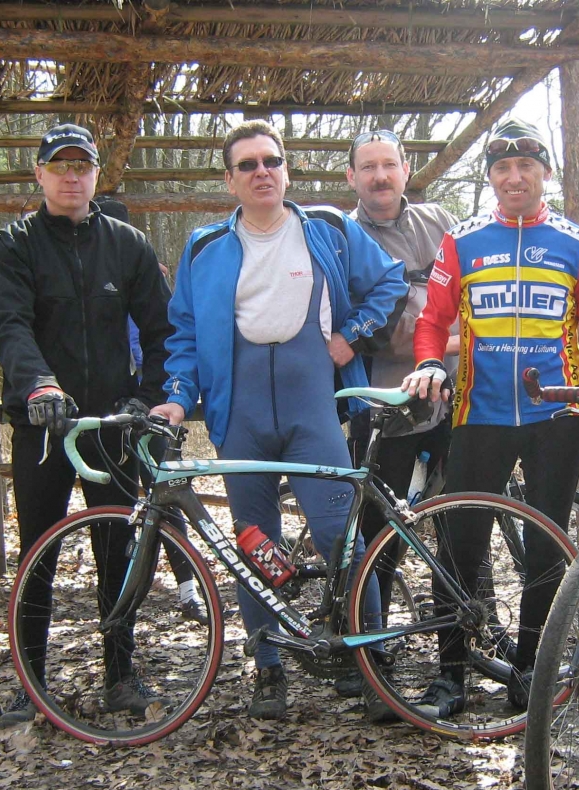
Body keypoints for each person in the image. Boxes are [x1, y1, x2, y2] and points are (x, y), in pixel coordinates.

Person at [149, 119, 408, 722]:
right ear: (229, 180)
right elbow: (183, 333)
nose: (262, 172)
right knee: (254, 542)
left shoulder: (328, 228)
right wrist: (178, 398)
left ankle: (370, 665)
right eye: (247, 165)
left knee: (340, 536)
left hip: (312, 408)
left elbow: (389, 280)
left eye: (272, 160)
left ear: (287, 170)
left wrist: (352, 334)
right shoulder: (205, 247)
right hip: (238, 415)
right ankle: (268, 665)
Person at [403, 117, 579, 718]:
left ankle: (528, 673)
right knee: (460, 543)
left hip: (557, 416)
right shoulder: (463, 240)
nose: (514, 177)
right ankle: (449, 676)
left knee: (544, 549)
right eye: (502, 167)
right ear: (491, 177)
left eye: (526, 166)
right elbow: (432, 321)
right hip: (480, 412)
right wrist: (430, 362)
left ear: (545, 172)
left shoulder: (577, 243)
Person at [0, 124, 175, 726]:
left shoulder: (128, 245)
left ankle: (121, 674)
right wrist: (38, 384)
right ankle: (31, 682)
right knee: (37, 552)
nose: (72, 176)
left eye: (82, 166)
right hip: (44, 426)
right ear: (39, 173)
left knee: (118, 549)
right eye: (60, 165)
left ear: (96, 174)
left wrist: (147, 398)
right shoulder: (13, 244)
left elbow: (163, 330)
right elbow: (9, 323)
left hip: (112, 424)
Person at [340, 129, 459, 698]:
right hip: (383, 404)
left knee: (460, 522)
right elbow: (365, 330)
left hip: (455, 398)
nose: (380, 176)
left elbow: (468, 291)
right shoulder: (343, 236)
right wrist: (454, 343)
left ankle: (460, 646)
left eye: (389, 164)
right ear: (351, 177)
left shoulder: (440, 221)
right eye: (368, 167)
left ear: (406, 169)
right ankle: (372, 651)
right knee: (378, 528)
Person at [95, 196, 207, 625]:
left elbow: (160, 338)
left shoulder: (143, 275)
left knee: (165, 494)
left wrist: (149, 390)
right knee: (134, 507)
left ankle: (188, 588)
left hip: (150, 404)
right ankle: (145, 590)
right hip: (120, 405)